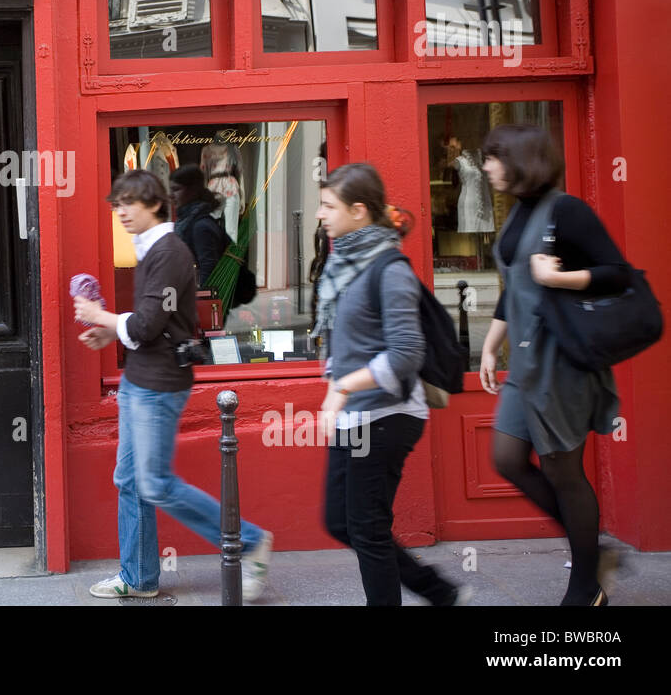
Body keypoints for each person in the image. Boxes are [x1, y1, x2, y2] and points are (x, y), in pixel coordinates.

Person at [74, 169, 274, 601]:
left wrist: (100, 317)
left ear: (155, 205)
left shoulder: (168, 251)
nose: (121, 211)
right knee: (130, 480)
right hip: (140, 379)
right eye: (117, 203)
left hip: (158, 384)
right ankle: (139, 577)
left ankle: (251, 542)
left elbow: (146, 325)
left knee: (155, 483)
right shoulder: (153, 250)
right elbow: (155, 323)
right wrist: (111, 332)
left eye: (129, 202)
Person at [477, 124, 627, 605]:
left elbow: (617, 274)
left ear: (521, 159)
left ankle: (585, 587)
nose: (485, 167)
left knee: (564, 473)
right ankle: (590, 552)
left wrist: (565, 279)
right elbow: (517, 286)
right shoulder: (519, 212)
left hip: (562, 365)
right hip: (524, 365)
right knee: (506, 458)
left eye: (493, 157)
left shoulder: (566, 211)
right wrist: (490, 343)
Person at [314, 162, 469, 606]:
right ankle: (439, 592)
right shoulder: (344, 263)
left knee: (366, 528)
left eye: (329, 206)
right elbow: (343, 344)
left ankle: (428, 594)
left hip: (388, 414)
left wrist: (343, 389)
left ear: (359, 210)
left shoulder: (390, 269)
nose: (321, 214)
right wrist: (333, 391)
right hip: (355, 413)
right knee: (340, 522)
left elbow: (405, 355)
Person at [169, 164, 230, 285]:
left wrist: (202, 299)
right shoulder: (187, 221)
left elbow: (209, 270)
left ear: (192, 191)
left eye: (176, 189)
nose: (171, 195)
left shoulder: (201, 227)